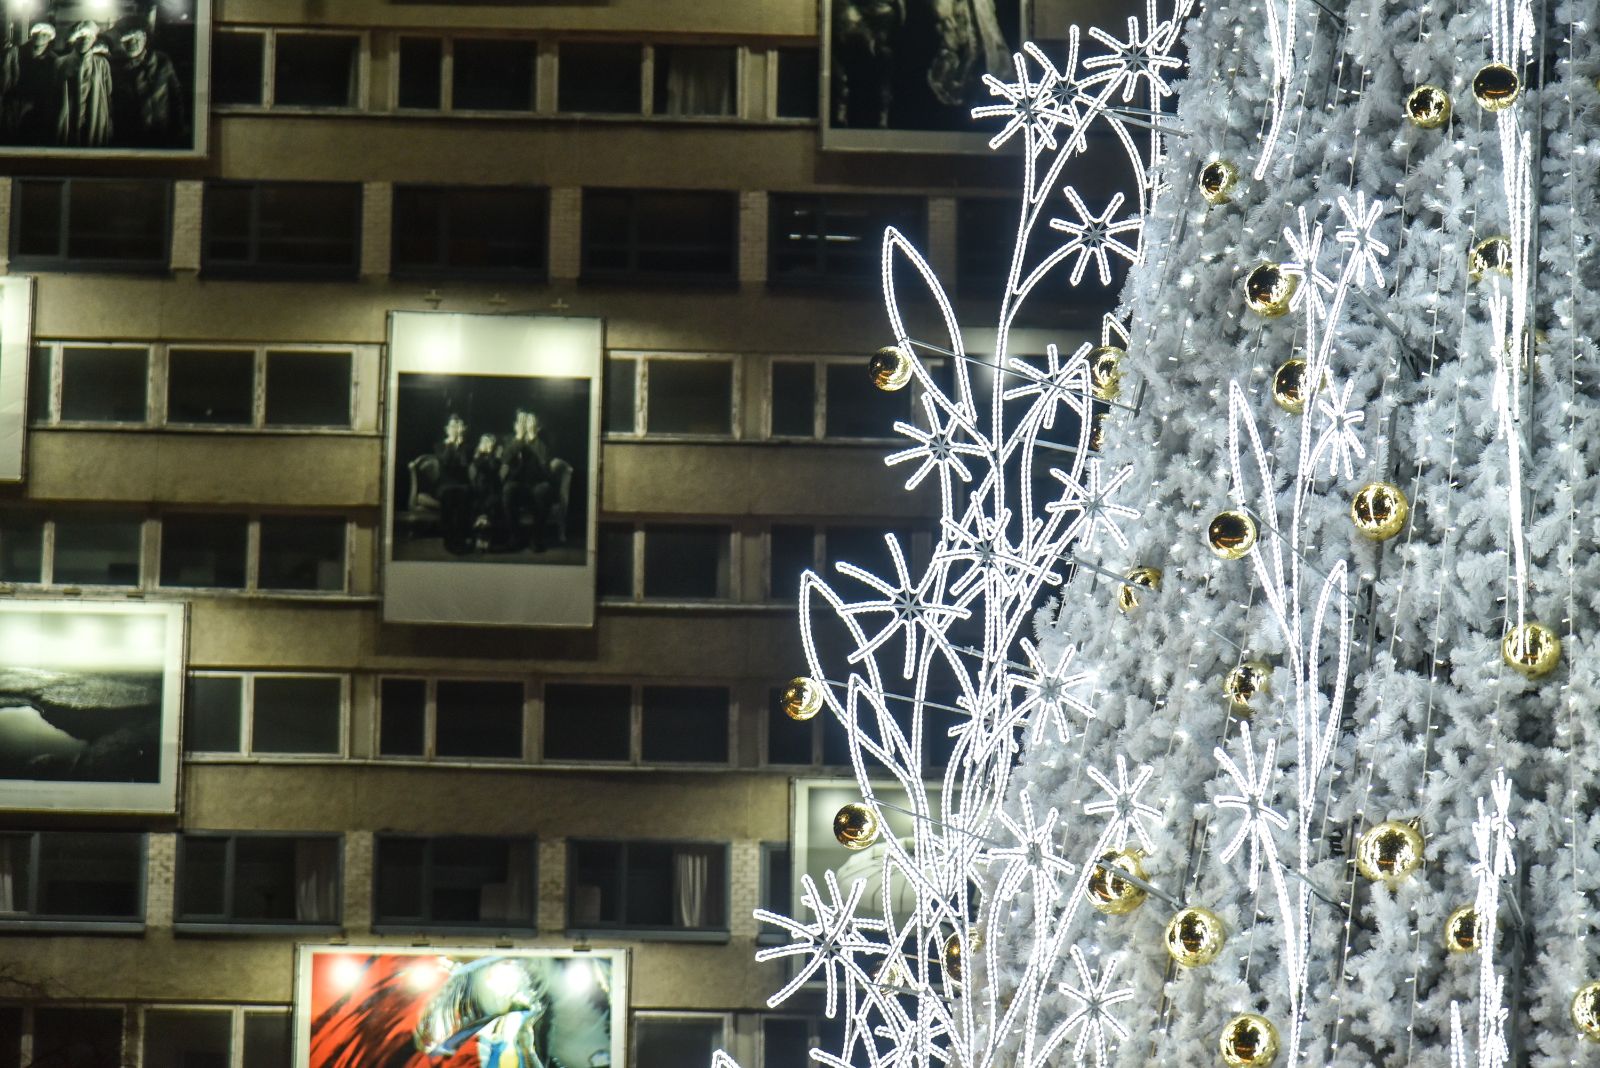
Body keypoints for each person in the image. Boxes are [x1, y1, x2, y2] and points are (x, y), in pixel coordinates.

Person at [500, 409, 559, 552]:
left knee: (544, 489)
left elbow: (545, 464)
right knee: (508, 489)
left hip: (537, 484)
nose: (525, 425)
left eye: (529, 421)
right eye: (522, 422)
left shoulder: (544, 442)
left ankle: (536, 538)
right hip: (518, 485)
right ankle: (515, 537)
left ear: (537, 426)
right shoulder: (509, 440)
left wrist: (533, 438)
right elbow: (505, 460)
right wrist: (519, 439)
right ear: (516, 426)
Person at [114, 25, 183, 146]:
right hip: (132, 135)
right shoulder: (117, 68)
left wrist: (178, 128)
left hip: (162, 130)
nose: (132, 43)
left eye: (136, 38)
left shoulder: (162, 61)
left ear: (144, 38)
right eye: (127, 40)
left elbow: (176, 95)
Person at [58, 21, 112, 146]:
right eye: (81, 37)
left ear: (94, 40)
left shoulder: (102, 63)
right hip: (69, 117)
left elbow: (108, 93)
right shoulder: (61, 63)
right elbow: (55, 92)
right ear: (73, 40)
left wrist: (109, 119)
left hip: (94, 115)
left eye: (89, 37)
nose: (85, 40)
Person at [10, 22, 62, 144]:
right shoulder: (16, 54)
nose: (39, 36)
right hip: (15, 105)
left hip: (41, 109)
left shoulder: (54, 60)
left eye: (44, 34)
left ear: (50, 38)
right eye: (36, 32)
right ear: (31, 35)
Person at [433, 414, 473, 554]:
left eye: (458, 426)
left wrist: (460, 445)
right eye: (452, 426)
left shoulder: (467, 447)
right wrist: (451, 444)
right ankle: (449, 540)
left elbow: (464, 464)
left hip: (462, 485)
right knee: (449, 496)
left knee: (464, 495)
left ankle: (461, 539)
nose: (455, 429)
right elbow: (445, 461)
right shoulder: (439, 445)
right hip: (445, 485)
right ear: (446, 429)